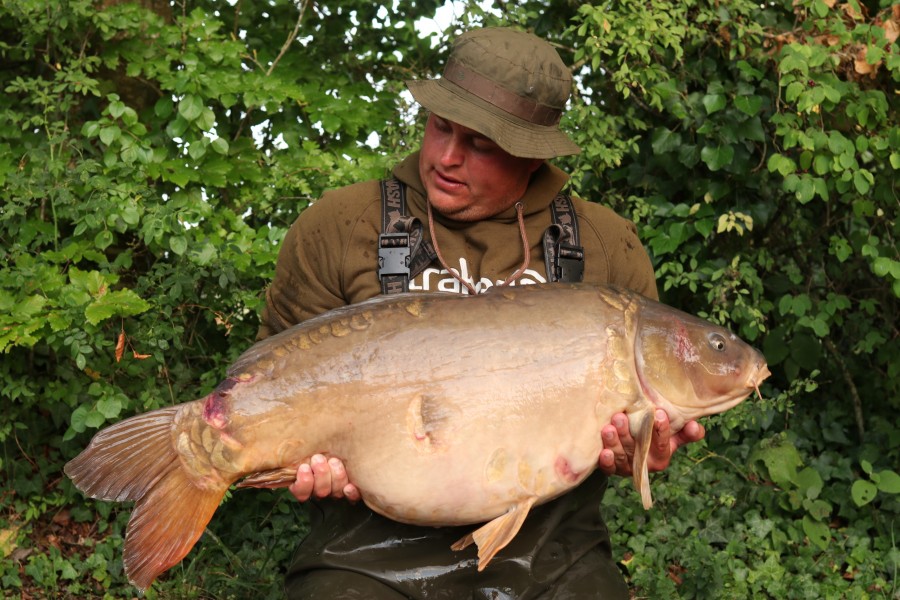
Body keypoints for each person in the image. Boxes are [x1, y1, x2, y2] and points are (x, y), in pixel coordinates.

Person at [257, 27, 705, 599]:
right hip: (364, 555)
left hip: (553, 558)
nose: (446, 157)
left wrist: (638, 449)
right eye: (440, 126)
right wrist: (307, 461)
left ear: (531, 151)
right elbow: (277, 395)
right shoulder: (342, 226)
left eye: (480, 144)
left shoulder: (605, 246)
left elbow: (637, 426)